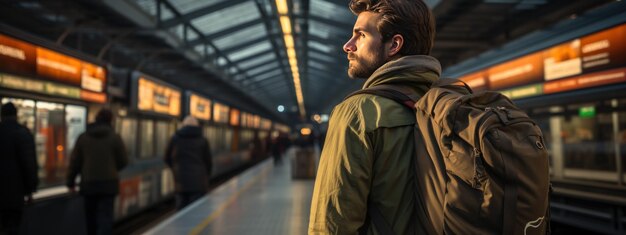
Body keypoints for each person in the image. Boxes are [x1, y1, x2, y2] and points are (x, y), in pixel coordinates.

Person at [308, 0, 439, 234]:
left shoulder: (357, 112)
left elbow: (332, 225)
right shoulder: (444, 104)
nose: (348, 46)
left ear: (394, 45)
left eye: (360, 35)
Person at [67, 108, 128, 235]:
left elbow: (75, 162)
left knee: (91, 219)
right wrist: (112, 168)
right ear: (110, 120)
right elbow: (123, 161)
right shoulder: (115, 138)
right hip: (108, 185)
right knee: (105, 219)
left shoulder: (83, 138)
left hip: (89, 184)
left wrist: (70, 183)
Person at [0, 102, 38, 235]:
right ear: (16, 115)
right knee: (14, 227)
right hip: (15, 193)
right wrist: (30, 190)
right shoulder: (22, 133)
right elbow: (29, 164)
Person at [164, 116, 212, 210]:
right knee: (196, 210)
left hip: (180, 182)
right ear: (197, 126)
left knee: (181, 209)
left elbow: (166, 158)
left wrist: (175, 169)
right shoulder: (203, 140)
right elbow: (208, 162)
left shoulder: (175, 139)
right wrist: (206, 176)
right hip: (198, 183)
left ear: (183, 125)